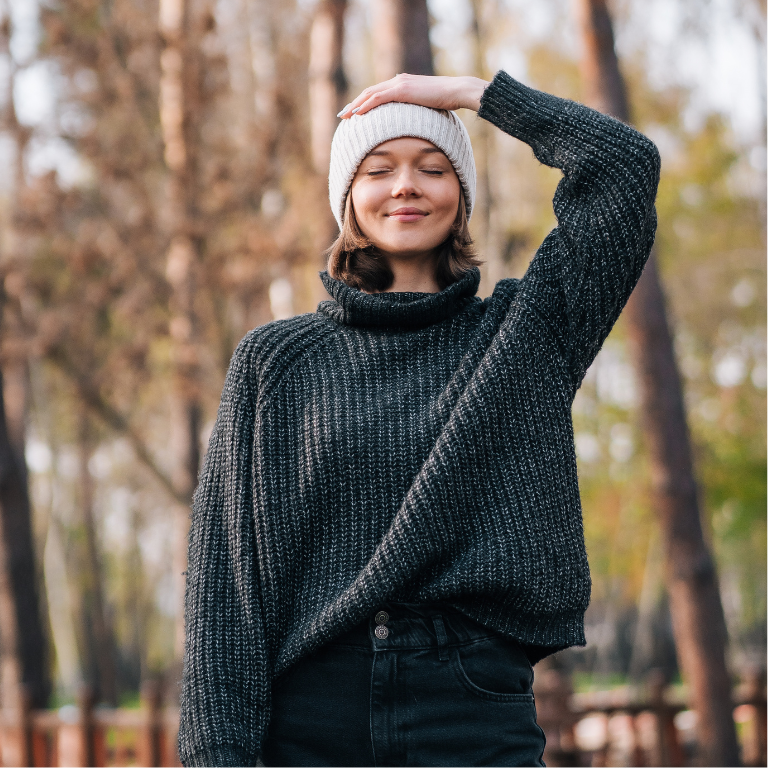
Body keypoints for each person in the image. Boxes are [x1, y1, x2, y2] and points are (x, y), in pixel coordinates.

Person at [178, 71, 660, 767]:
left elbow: (624, 169)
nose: (406, 185)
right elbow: (226, 589)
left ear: (460, 196)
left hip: (469, 705)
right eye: (379, 170)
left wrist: (469, 93)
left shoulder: (526, 334)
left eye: (433, 168)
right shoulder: (274, 363)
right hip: (313, 712)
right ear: (349, 199)